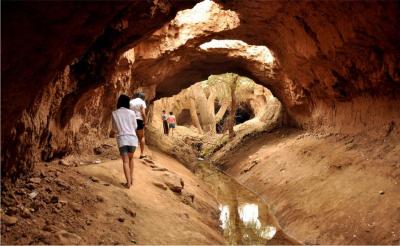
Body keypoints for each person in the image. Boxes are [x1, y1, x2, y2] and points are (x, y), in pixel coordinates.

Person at [112, 94, 138, 189]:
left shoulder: (115, 113)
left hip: (122, 139)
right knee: (131, 159)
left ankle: (128, 183)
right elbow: (135, 126)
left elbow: (114, 128)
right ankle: (131, 179)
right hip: (133, 139)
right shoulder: (132, 113)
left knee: (125, 162)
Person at [130, 92, 147, 159]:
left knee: (131, 136)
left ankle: (130, 152)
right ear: (143, 98)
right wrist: (145, 121)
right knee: (141, 137)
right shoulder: (142, 102)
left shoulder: (131, 101)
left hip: (131, 120)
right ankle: (142, 154)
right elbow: (143, 112)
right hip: (139, 120)